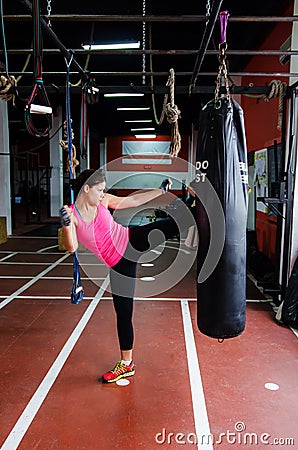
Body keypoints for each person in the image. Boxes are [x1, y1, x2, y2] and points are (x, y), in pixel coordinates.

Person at [60, 168, 192, 384]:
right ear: (86, 189)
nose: (103, 194)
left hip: (131, 240)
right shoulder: (72, 215)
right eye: (100, 190)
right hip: (119, 265)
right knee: (123, 314)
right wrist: (66, 226)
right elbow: (72, 247)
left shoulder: (103, 202)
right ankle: (126, 364)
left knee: (173, 225)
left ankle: (210, 215)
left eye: (104, 190)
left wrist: (159, 191)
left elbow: (133, 201)